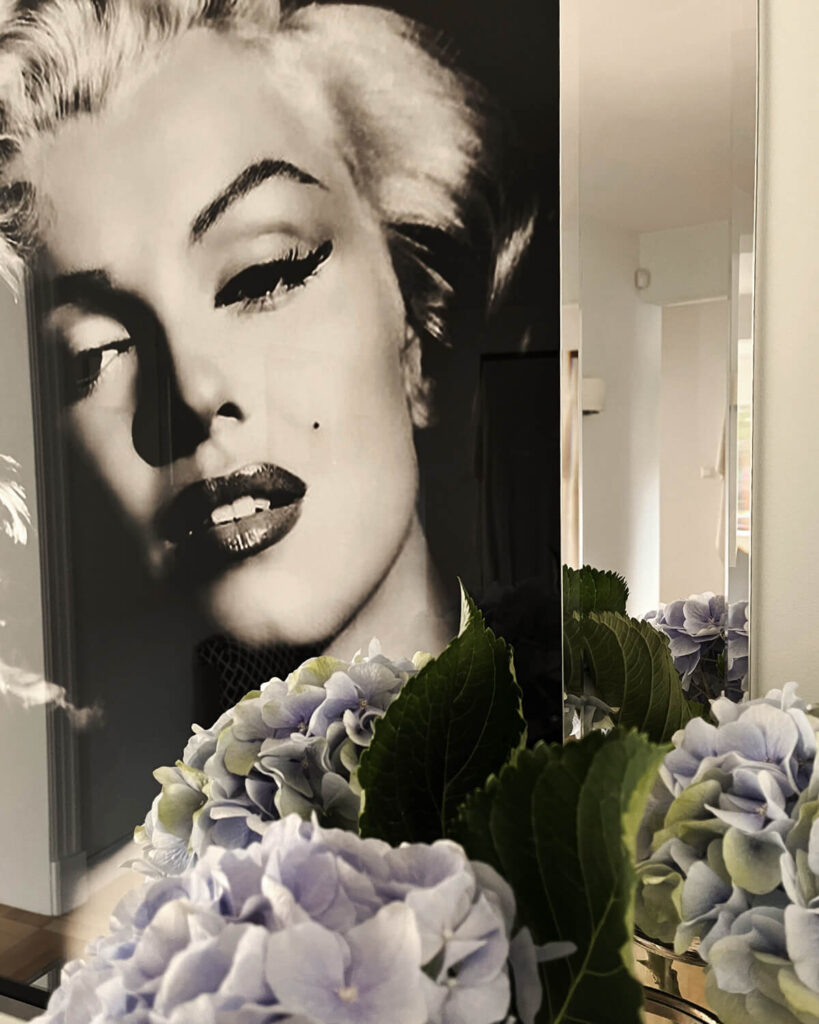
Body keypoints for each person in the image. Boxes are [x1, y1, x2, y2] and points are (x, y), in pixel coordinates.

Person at [0, 0, 540, 671]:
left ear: (417, 328)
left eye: (265, 276)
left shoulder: (613, 715)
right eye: (90, 357)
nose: (190, 392)